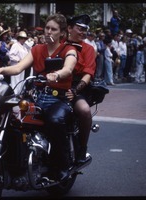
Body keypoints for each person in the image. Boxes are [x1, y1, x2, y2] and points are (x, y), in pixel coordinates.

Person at [0, 13, 78, 182]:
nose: (49, 32)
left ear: (62, 33)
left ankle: (62, 165)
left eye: (54, 29)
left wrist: (57, 75)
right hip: (37, 97)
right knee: (14, 118)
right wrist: (0, 70)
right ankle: (15, 161)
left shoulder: (69, 49)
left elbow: (68, 68)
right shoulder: (37, 49)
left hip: (59, 99)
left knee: (55, 121)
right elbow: (18, 67)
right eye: (47, 28)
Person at [65, 14, 96, 164]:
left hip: (76, 87)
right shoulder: (60, 44)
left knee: (84, 110)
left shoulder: (89, 49)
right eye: (80, 28)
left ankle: (82, 148)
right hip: (54, 85)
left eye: (85, 29)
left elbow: (88, 74)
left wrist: (75, 91)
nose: (83, 32)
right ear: (70, 28)